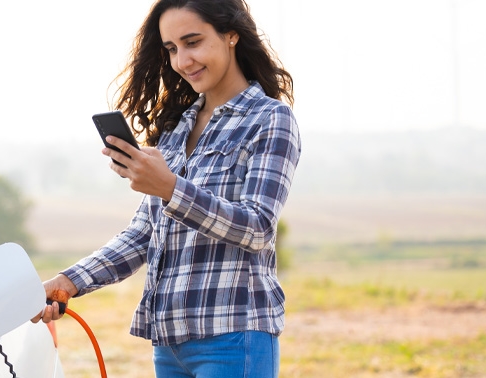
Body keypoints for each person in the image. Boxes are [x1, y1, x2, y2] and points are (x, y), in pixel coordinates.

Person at [32, 0, 301, 376]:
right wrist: (67, 283)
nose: (182, 61)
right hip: (170, 343)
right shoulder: (177, 129)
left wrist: (171, 188)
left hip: (233, 336)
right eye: (172, 49)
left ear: (231, 35)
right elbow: (143, 235)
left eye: (193, 42)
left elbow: (256, 228)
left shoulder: (270, 119)